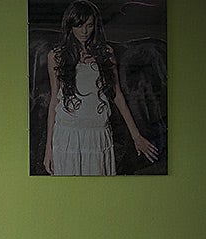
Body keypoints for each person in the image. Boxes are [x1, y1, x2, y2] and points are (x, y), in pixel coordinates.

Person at [44, 0, 158, 175]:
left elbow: (117, 95)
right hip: (66, 135)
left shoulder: (106, 53)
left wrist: (136, 136)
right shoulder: (56, 56)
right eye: (79, 25)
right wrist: (48, 149)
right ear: (70, 25)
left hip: (97, 134)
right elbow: (54, 101)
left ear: (95, 26)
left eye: (89, 25)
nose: (84, 31)